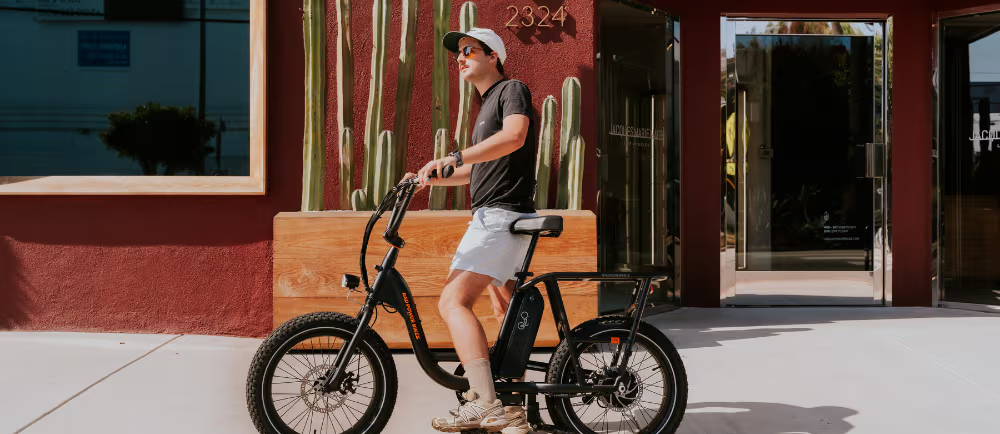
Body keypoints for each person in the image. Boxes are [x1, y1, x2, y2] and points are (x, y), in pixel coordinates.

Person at [401, 27, 538, 434]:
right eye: (458, 53)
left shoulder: (511, 89)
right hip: (494, 215)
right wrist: (429, 178)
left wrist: (455, 153)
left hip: (501, 216)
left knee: (452, 301)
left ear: (493, 55)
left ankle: (485, 403)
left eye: (469, 50)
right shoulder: (486, 105)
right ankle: (512, 407)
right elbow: (476, 170)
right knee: (503, 311)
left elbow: (514, 137)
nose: (460, 58)